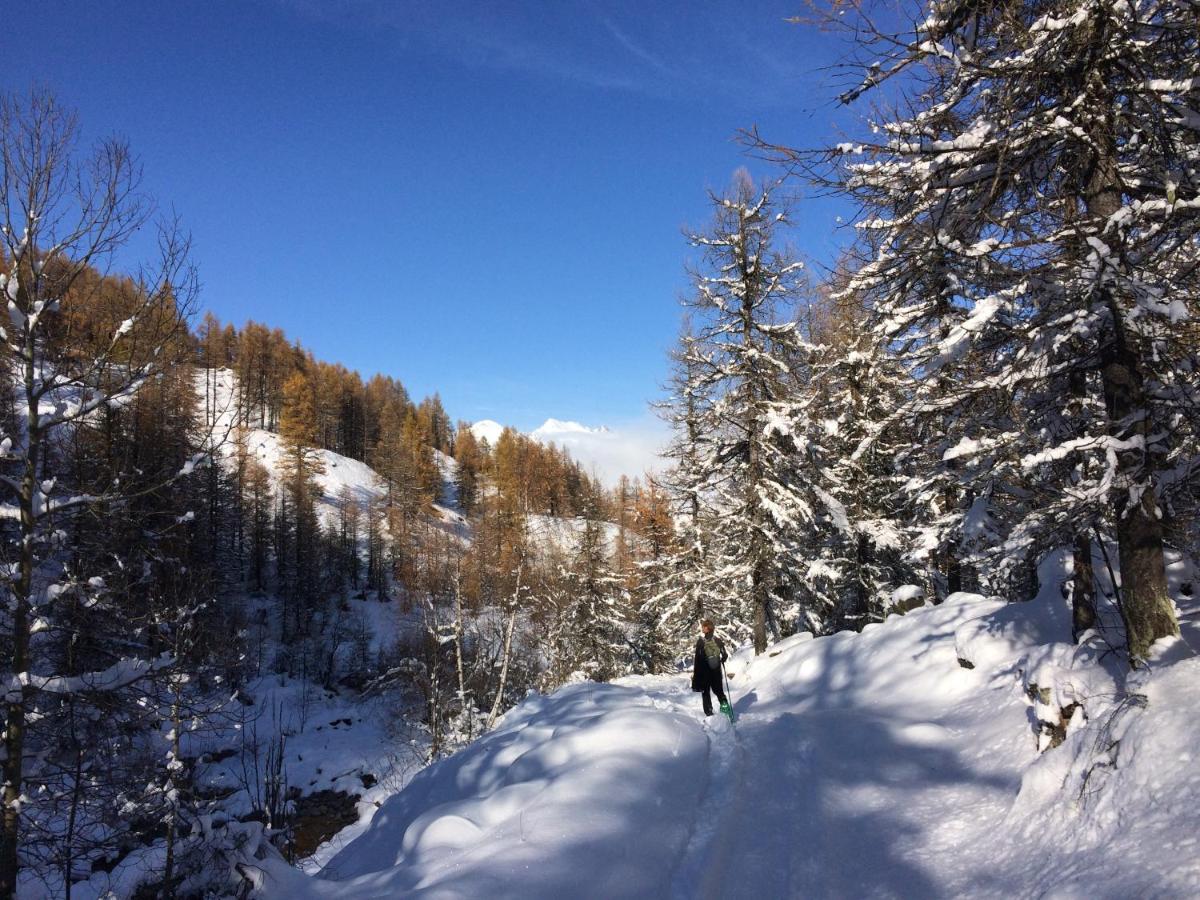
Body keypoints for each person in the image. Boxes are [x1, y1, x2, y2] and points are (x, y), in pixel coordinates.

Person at [691, 619, 728, 717]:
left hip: (704, 672)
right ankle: (726, 710)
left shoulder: (700, 641)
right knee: (719, 692)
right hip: (716, 671)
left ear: (707, 628)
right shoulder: (718, 640)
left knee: (706, 692)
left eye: (703, 626)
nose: (702, 628)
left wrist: (696, 676)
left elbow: (697, 660)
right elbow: (725, 655)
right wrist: (719, 661)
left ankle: (709, 713)